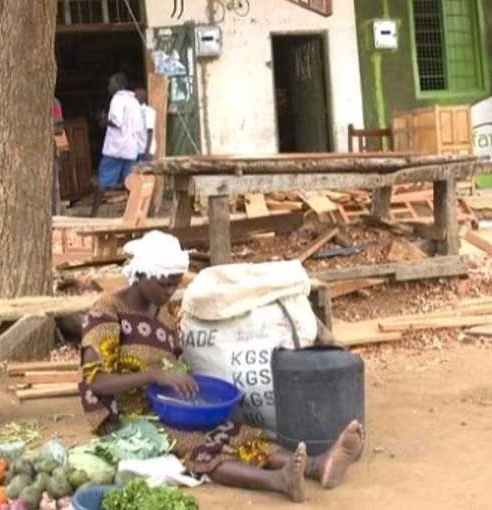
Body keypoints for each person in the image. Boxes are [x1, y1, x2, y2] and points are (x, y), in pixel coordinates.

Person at [77, 231, 365, 503]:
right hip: (128, 418)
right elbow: (96, 382)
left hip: (165, 405)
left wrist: (187, 386)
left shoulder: (161, 312)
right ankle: (279, 480)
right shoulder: (107, 310)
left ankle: (316, 465)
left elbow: (176, 359)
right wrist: (154, 375)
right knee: (196, 444)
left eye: (175, 283)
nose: (170, 290)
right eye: (164, 283)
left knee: (233, 429)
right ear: (141, 275)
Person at [91, 73, 143, 217]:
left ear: (118, 86)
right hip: (131, 148)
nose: (109, 87)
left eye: (110, 84)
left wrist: (103, 120)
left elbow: (116, 121)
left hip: (115, 149)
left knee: (102, 181)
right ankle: (133, 213)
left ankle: (93, 214)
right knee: (129, 182)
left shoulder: (117, 99)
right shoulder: (134, 101)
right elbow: (139, 126)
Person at [134, 88, 156, 161]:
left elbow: (150, 131)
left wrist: (147, 151)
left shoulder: (148, 111)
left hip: (144, 150)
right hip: (137, 149)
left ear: (141, 98)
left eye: (135, 96)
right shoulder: (135, 111)